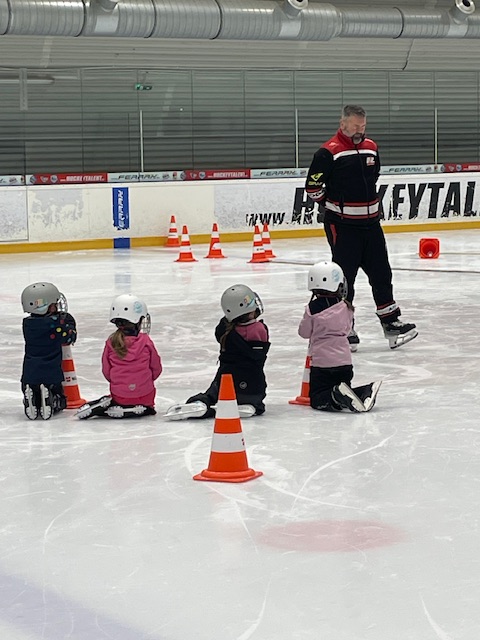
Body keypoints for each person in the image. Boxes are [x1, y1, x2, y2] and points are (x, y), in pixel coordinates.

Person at [305, 104, 417, 350]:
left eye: (363, 126)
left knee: (381, 273)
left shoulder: (371, 147)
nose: (360, 130)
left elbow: (373, 177)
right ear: (343, 124)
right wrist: (335, 205)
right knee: (346, 277)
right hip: (343, 226)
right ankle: (344, 327)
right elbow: (313, 188)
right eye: (355, 126)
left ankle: (391, 322)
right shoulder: (327, 152)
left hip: (371, 224)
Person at [164, 284, 270, 420]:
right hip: (251, 383)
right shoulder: (259, 329)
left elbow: (222, 329)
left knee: (211, 395)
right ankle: (250, 405)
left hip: (223, 380)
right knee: (255, 400)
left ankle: (201, 403)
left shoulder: (224, 329)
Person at [298, 261, 381, 412]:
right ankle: (364, 391)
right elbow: (348, 329)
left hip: (322, 365)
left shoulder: (312, 309)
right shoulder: (347, 307)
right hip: (345, 363)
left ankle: (337, 395)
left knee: (317, 399)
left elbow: (304, 333)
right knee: (346, 390)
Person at [76, 294, 161, 419]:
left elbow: (106, 371)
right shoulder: (146, 341)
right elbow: (156, 368)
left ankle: (109, 406)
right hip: (145, 394)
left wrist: (119, 383)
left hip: (120, 395)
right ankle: (144, 409)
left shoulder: (111, 342)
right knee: (149, 408)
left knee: (117, 398)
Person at [21, 281, 77, 420]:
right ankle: (51, 399)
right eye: (54, 304)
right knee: (59, 396)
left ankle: (32, 397)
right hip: (50, 370)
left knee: (31, 384)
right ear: (45, 306)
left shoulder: (27, 324)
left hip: (29, 371)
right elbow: (68, 338)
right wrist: (69, 325)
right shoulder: (56, 323)